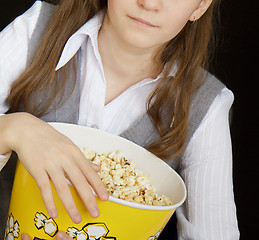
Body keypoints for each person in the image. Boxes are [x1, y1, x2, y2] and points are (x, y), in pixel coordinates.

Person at [0, 0, 240, 239]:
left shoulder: (206, 106)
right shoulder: (35, 31)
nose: (149, 3)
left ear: (200, 6)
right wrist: (12, 128)